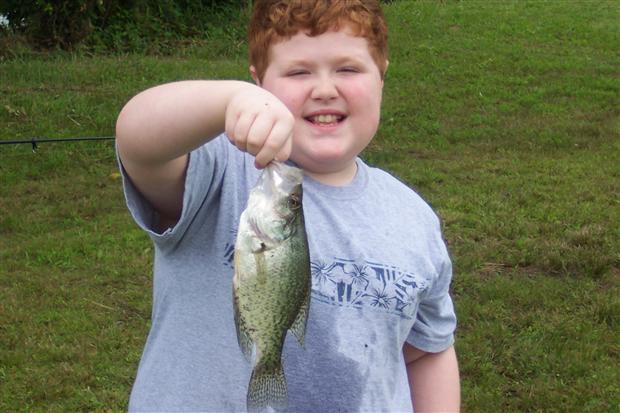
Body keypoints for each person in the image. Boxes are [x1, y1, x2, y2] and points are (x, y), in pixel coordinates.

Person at [115, 0, 460, 411]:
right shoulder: (221, 171)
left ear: (382, 76)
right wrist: (230, 100)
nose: (325, 89)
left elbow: (428, 351)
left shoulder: (413, 218)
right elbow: (137, 140)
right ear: (261, 84)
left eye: (348, 69)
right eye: (298, 72)